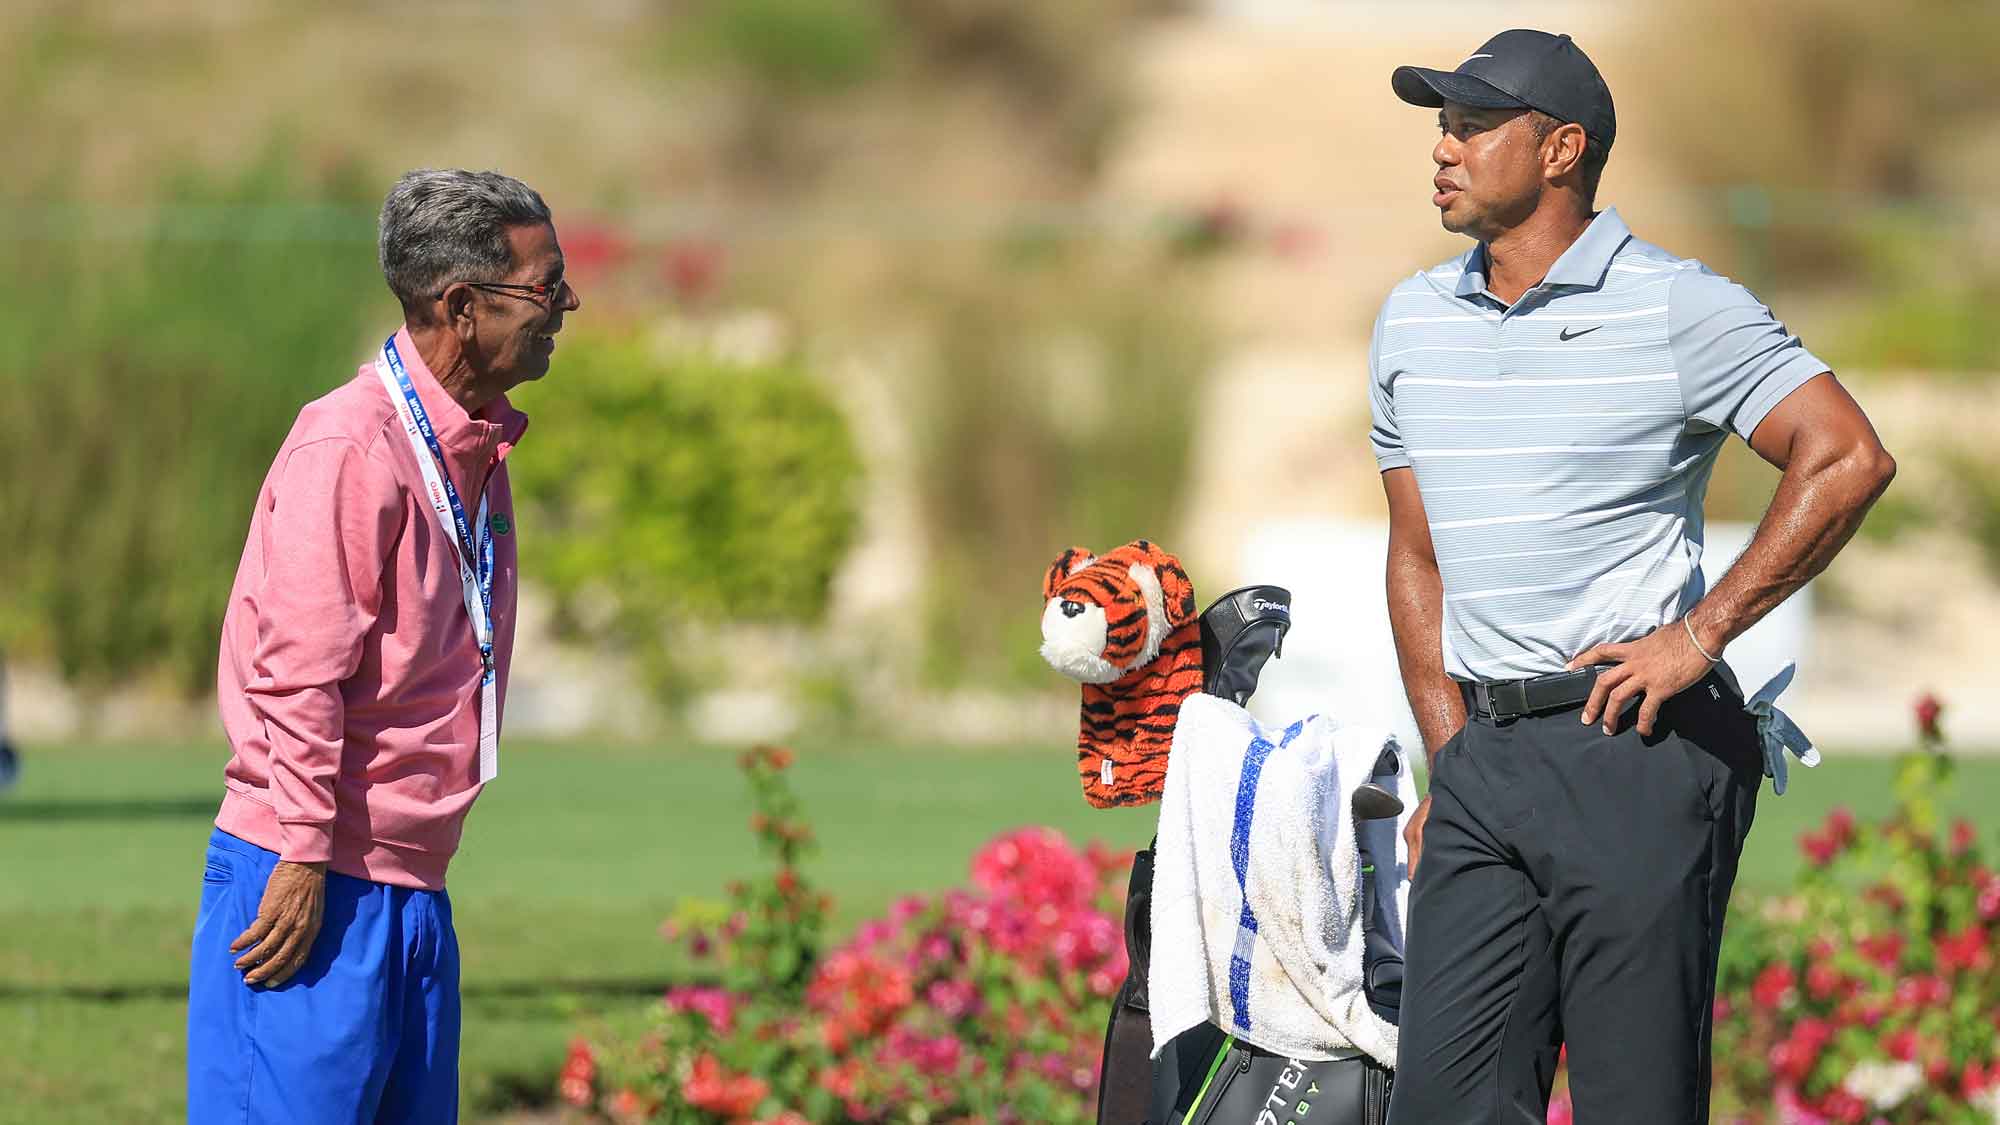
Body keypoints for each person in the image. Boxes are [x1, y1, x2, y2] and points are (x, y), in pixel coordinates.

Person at [1367, 30, 1895, 1124]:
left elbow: (1844, 455)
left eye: (1471, 124)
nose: (1442, 146)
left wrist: (1695, 639)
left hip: (1635, 748)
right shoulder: (1409, 321)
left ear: (1561, 149)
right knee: (1439, 1108)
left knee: (1632, 1105)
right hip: (1480, 762)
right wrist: (1447, 753)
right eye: (1439, 124)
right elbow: (1415, 553)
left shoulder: (1674, 305)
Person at [187, 168, 581, 1123]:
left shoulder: (478, 447)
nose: (566, 305)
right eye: (545, 286)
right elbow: (300, 674)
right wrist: (304, 852)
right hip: (310, 881)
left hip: (411, 885)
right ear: (461, 304)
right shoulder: (352, 449)